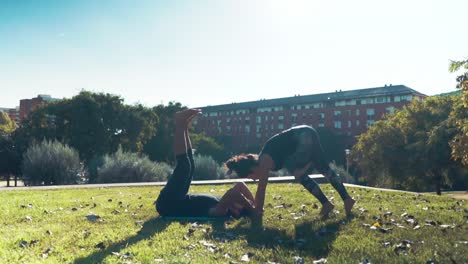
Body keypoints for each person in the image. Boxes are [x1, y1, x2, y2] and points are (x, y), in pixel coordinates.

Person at [225, 125, 355, 218]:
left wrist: (257, 211)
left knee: (298, 173)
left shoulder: (264, 160)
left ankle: (327, 202)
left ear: (252, 169)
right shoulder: (264, 157)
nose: (254, 179)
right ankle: (345, 200)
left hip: (303, 137)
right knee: (324, 169)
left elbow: (261, 189)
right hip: (308, 132)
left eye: (251, 177)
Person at [156, 109, 255, 218]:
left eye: (241, 204)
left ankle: (179, 123)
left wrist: (252, 210)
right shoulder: (223, 202)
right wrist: (255, 204)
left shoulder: (221, 211)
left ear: (237, 211)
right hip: (177, 198)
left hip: (168, 205)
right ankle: (183, 125)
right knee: (191, 165)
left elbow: (233, 194)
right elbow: (241, 185)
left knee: (184, 166)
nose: (240, 201)